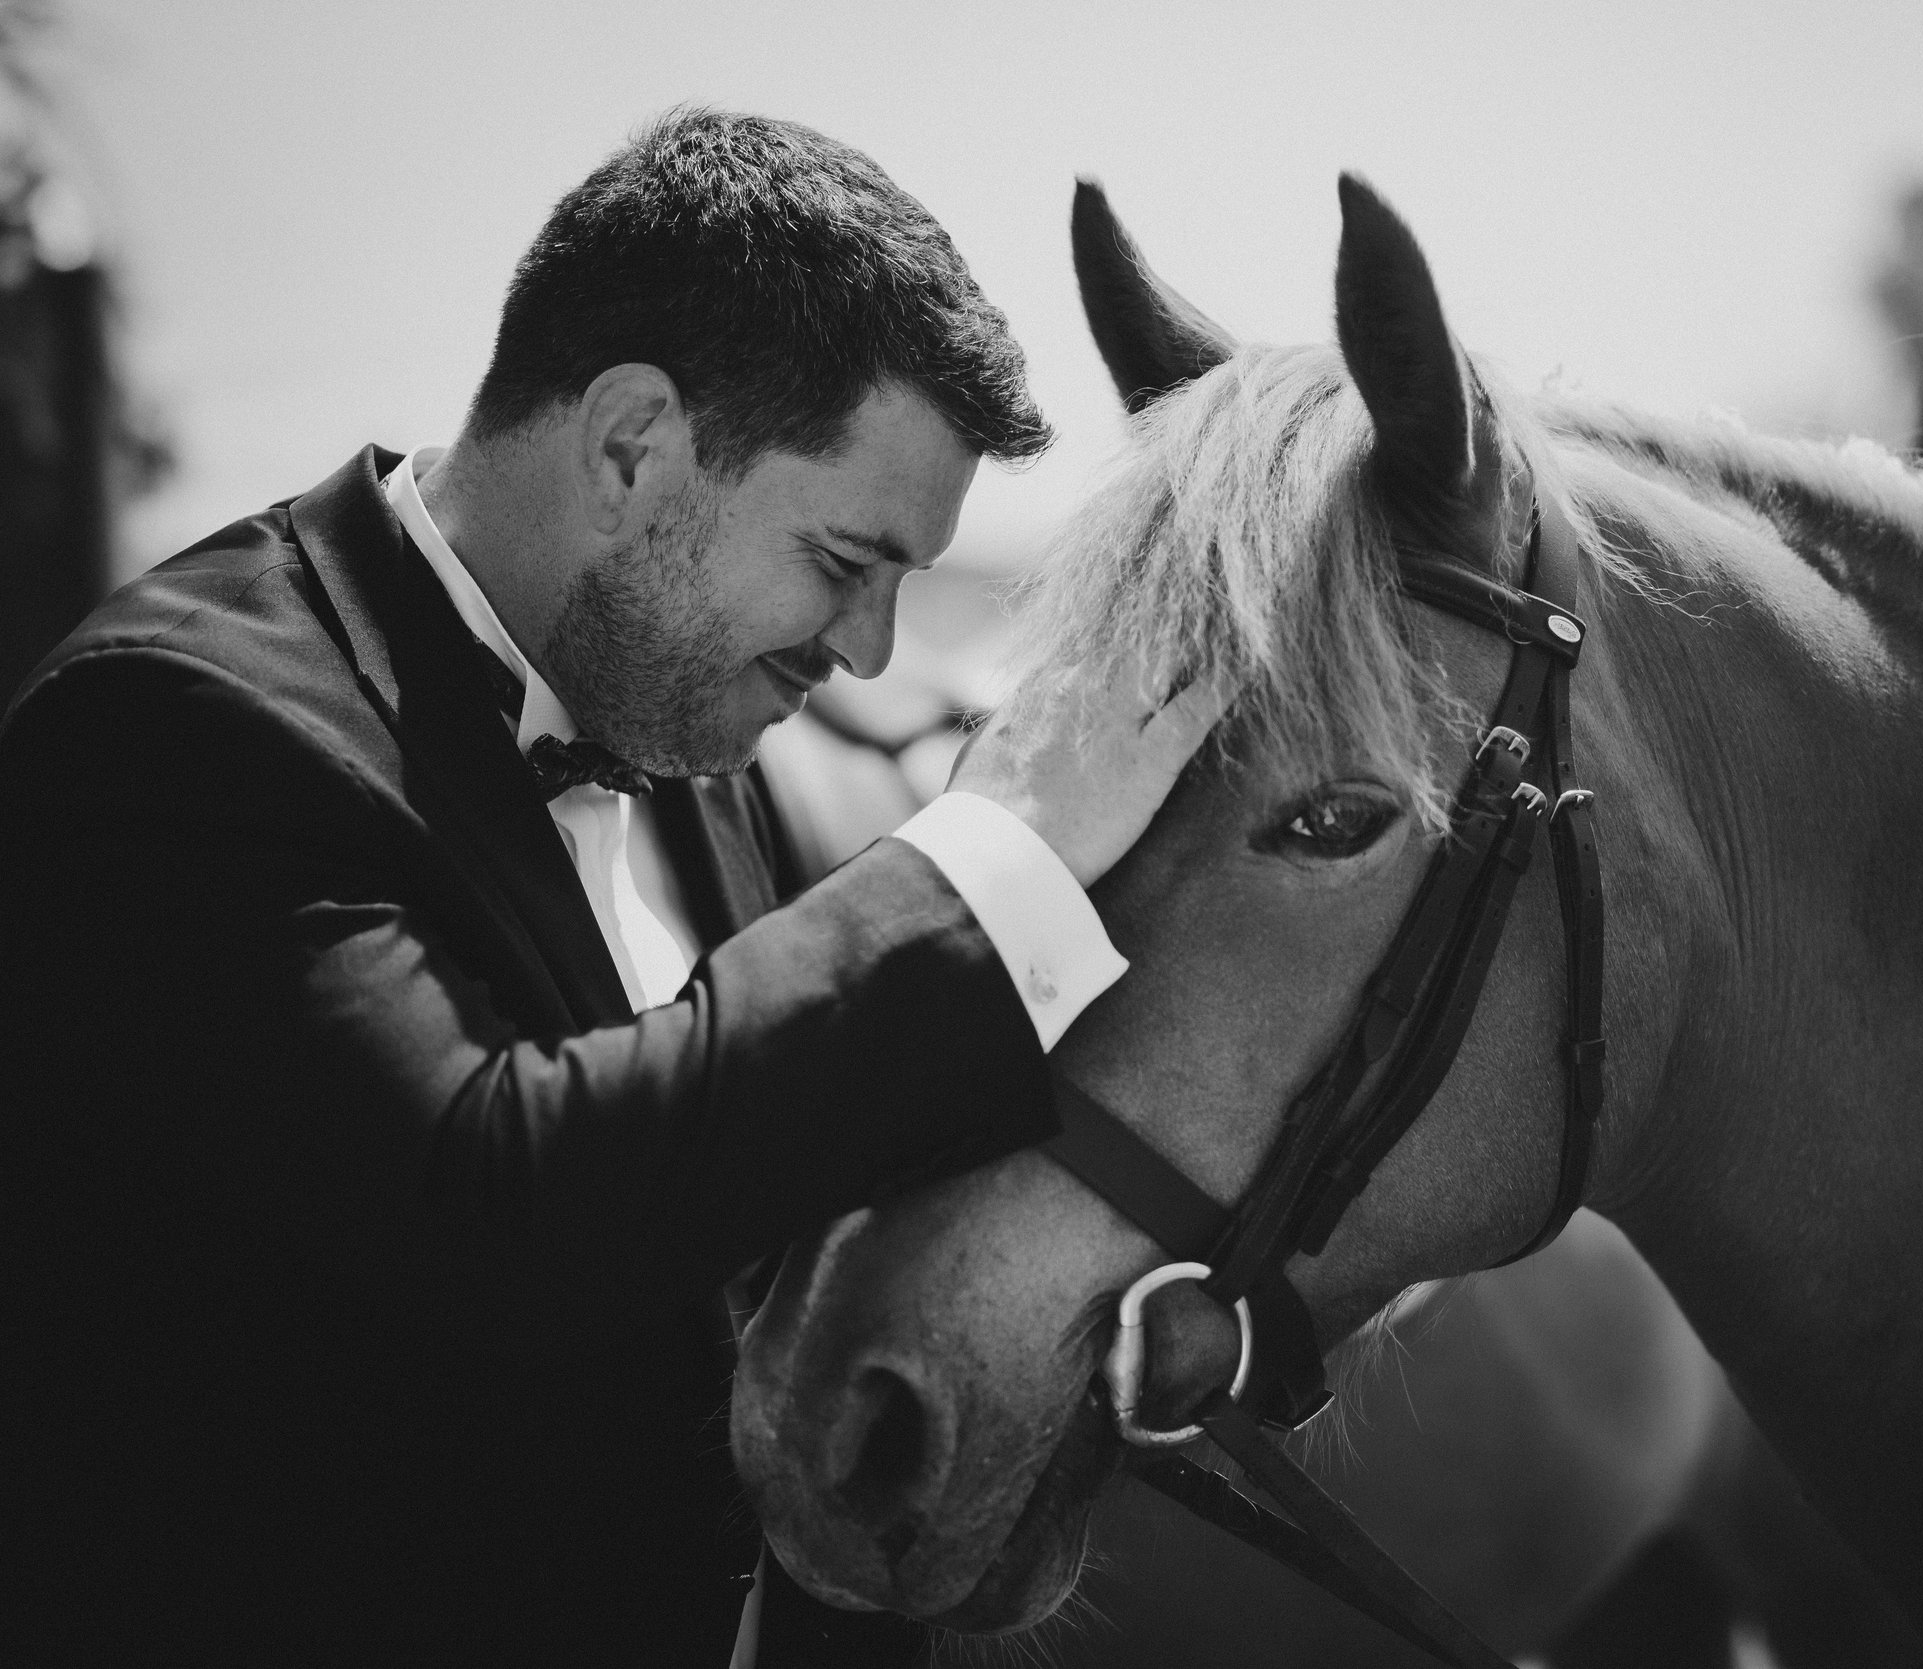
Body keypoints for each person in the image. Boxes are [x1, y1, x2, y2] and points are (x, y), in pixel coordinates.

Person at [0, 108, 1219, 1667]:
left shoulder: (696, 742)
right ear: (634, 442)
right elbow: (495, 1212)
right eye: (847, 562)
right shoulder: (177, 734)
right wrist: (991, 864)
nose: (869, 654)